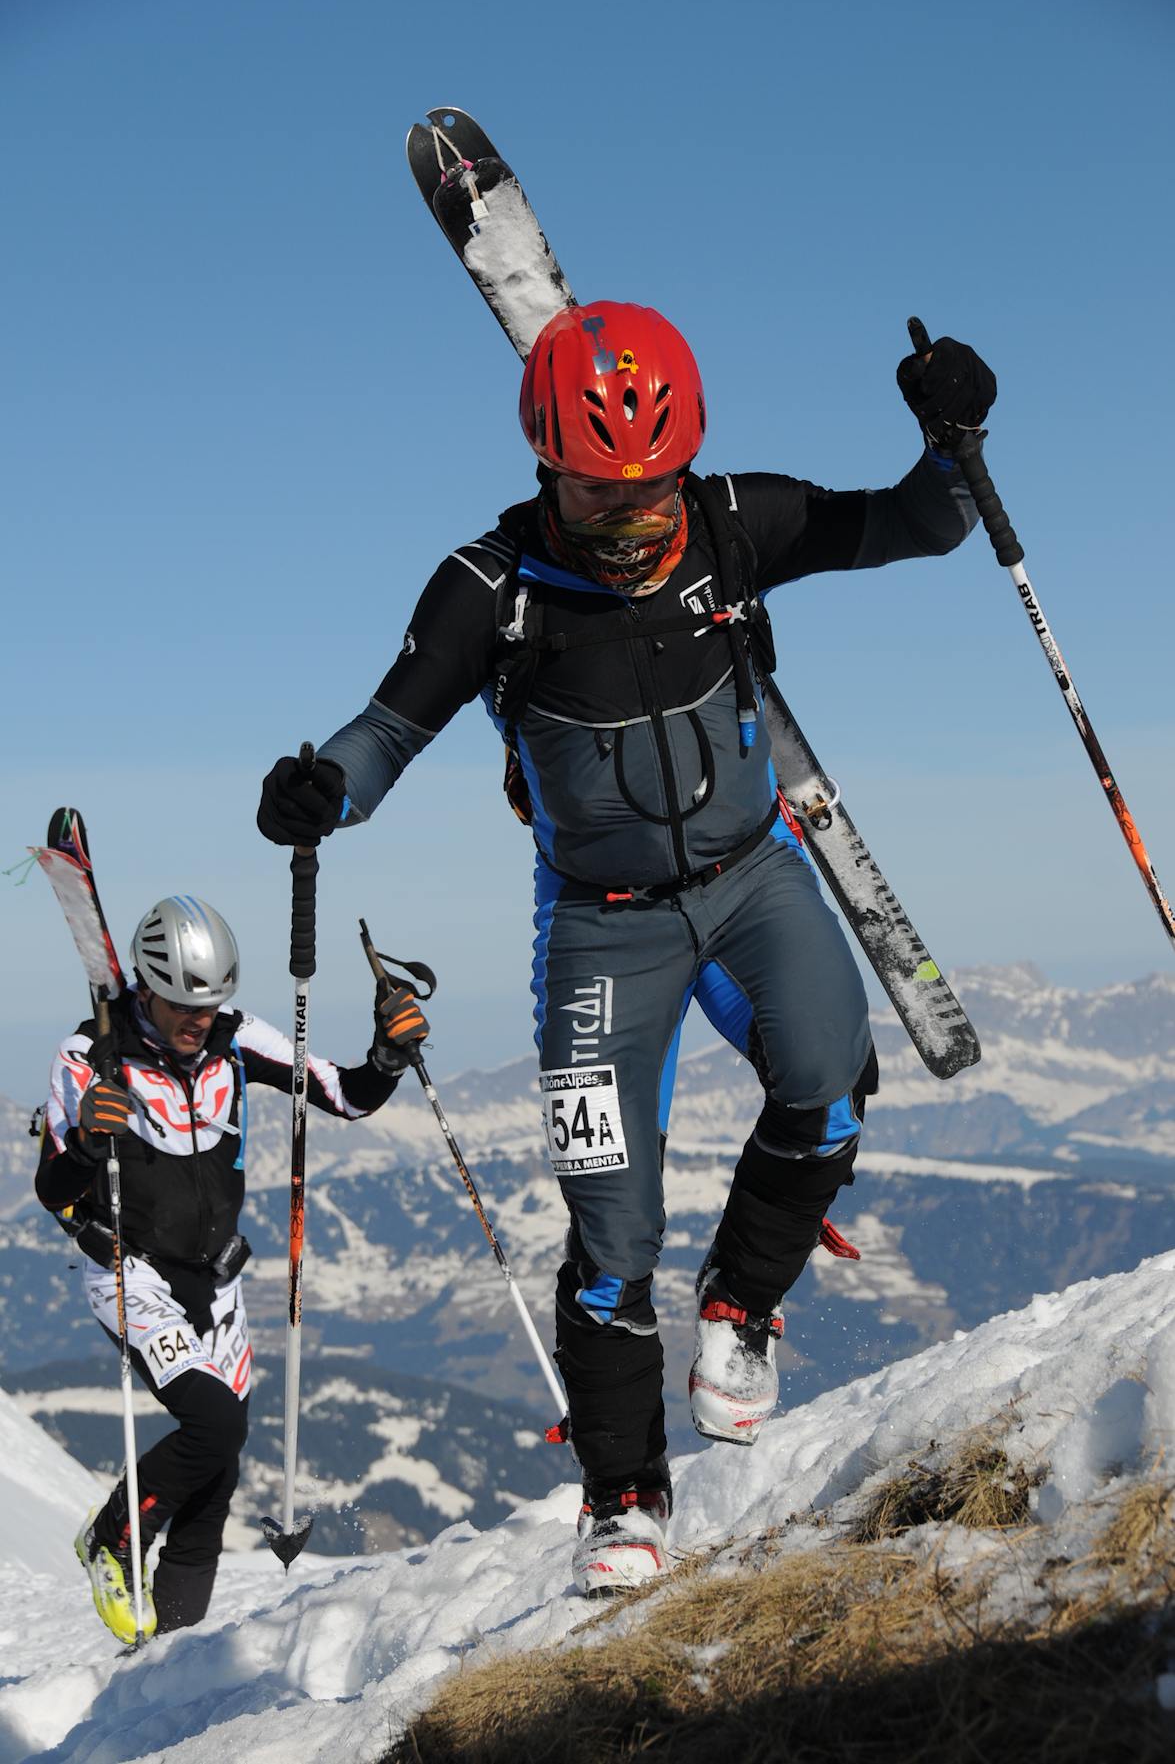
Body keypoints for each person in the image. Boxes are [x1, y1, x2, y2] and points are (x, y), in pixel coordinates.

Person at [257, 303, 995, 1595]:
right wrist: (323, 786)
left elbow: (919, 524)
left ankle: (739, 1308)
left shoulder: (729, 522)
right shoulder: (488, 588)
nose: (630, 534)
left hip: (755, 877)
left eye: (647, 502)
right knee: (610, 1230)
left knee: (827, 1083)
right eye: (598, 508)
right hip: (601, 932)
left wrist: (953, 436)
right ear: (546, 472)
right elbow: (386, 732)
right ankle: (621, 1502)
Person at [36, 893, 428, 1644]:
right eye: (185, 1002)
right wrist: (88, 1141)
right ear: (146, 985)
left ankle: (173, 1653)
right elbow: (51, 1187)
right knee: (211, 1424)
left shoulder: (236, 1038)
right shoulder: (90, 1056)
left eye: (212, 1001)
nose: (199, 1017)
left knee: (218, 1471)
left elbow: (342, 1094)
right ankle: (112, 1536)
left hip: (218, 1281)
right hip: (132, 1273)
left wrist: (387, 1055)